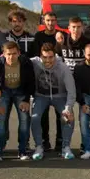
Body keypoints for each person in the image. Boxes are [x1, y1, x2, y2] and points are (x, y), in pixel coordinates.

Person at [0, 41, 36, 160]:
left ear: (19, 53)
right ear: (3, 54)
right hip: (5, 91)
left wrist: (27, 99)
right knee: (1, 121)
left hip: (20, 92)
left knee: (24, 120)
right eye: (8, 54)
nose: (11, 57)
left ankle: (22, 150)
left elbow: (31, 81)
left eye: (14, 54)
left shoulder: (25, 62)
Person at [29, 43, 77, 160]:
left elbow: (71, 91)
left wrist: (68, 107)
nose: (48, 60)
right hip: (41, 96)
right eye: (45, 57)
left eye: (51, 57)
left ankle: (66, 147)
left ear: (55, 56)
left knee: (69, 117)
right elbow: (19, 60)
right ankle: (39, 147)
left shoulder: (63, 67)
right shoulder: (34, 62)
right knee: (35, 117)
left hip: (59, 96)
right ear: (40, 56)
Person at [33, 11, 61, 151]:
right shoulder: (39, 36)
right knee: (42, 114)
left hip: (58, 79)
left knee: (60, 113)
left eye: (53, 20)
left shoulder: (61, 36)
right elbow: (35, 57)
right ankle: (44, 141)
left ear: (56, 21)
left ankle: (60, 142)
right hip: (42, 79)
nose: (50, 23)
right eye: (48, 20)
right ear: (44, 21)